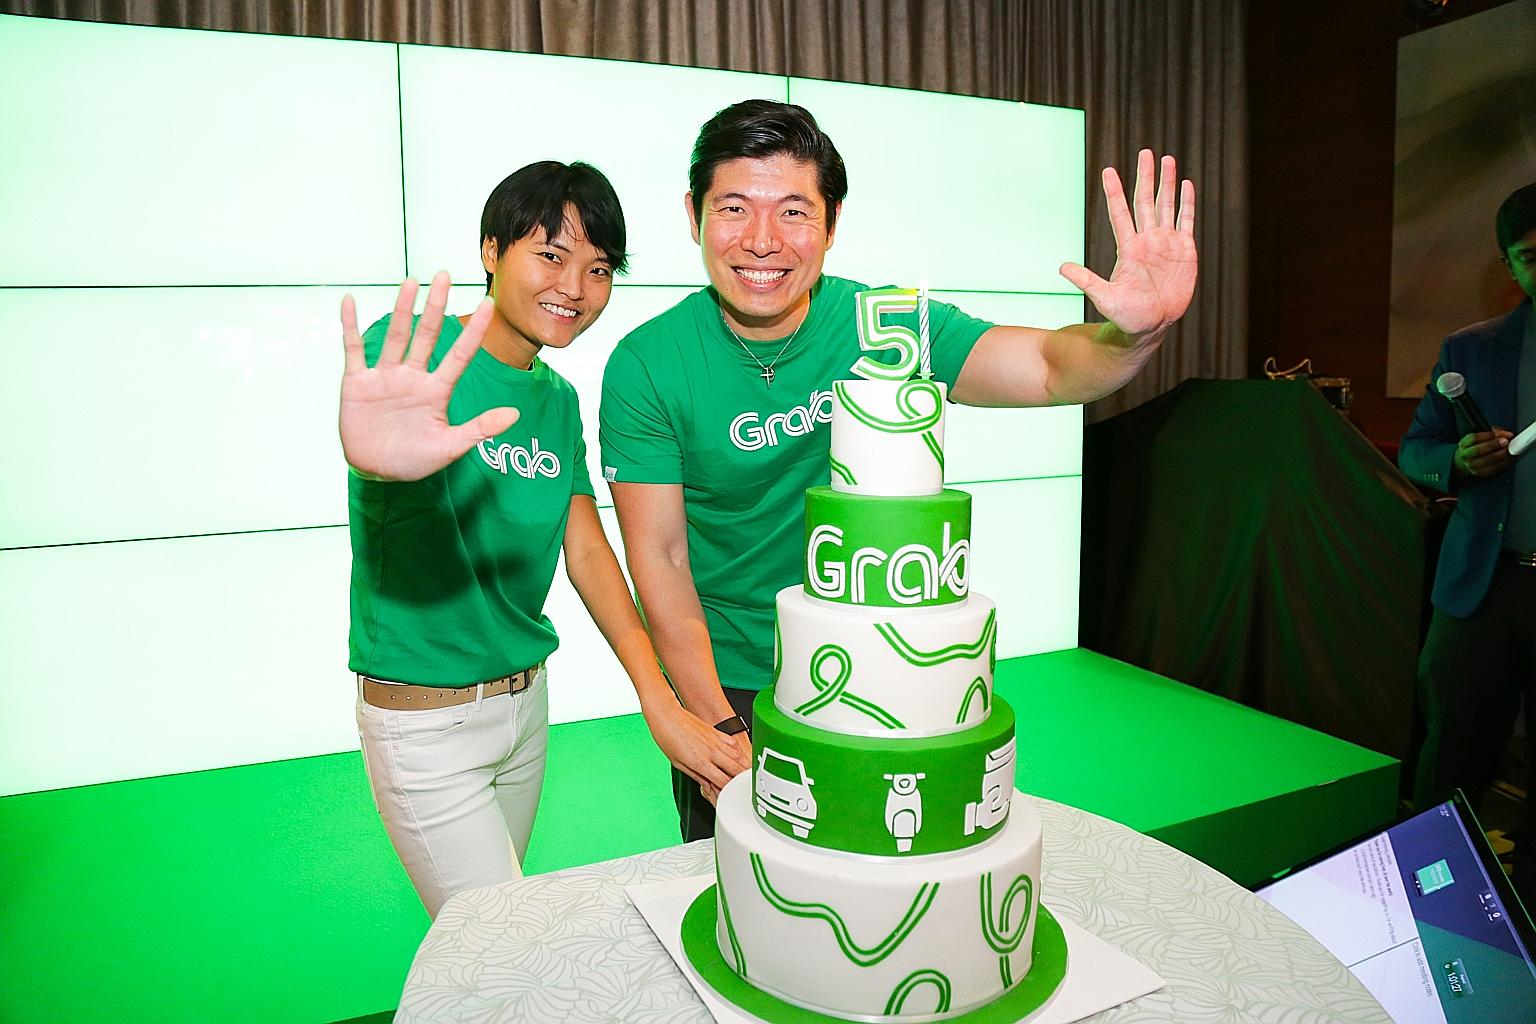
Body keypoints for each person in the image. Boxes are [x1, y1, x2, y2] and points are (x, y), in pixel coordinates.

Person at [598, 100, 1198, 841]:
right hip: (732, 674)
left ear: (831, 221)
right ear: (694, 216)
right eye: (733, 208)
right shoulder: (649, 364)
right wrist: (716, 718)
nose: (761, 241)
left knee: (889, 869)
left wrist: (1132, 335)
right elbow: (661, 555)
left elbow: (1047, 367)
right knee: (741, 901)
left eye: (793, 211)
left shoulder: (886, 326)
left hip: (884, 672)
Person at [339, 161, 747, 916]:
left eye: (598, 269)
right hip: (425, 722)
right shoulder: (415, 364)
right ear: (492, 251)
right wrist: (380, 463)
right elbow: (384, 448)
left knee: (480, 944)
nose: (575, 288)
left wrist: (657, 701)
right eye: (550, 255)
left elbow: (589, 552)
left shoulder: (556, 401)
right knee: (501, 934)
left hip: (524, 708)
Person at [1400, 182, 1536, 914]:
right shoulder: (1472, 350)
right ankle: (1425, 901)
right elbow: (1414, 448)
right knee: (1452, 753)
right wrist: (1454, 459)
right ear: (1510, 265)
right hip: (1481, 588)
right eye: (1530, 256)